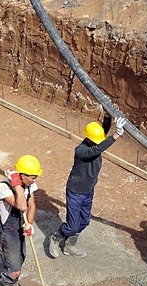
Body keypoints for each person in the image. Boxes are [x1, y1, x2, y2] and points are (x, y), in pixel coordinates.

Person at [47, 110, 126, 259]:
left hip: (88, 190)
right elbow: (98, 148)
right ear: (88, 139)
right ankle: (55, 238)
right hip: (75, 191)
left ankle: (69, 246)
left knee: (84, 221)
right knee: (71, 226)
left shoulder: (93, 141)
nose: (99, 143)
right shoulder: (81, 150)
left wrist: (107, 116)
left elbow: (102, 133)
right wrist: (116, 135)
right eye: (96, 141)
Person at [0, 155, 42, 286]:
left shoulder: (29, 184)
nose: (35, 180)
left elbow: (31, 205)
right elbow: (21, 206)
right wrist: (18, 186)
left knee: (19, 263)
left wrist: (30, 224)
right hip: (8, 232)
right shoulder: (4, 187)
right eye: (33, 177)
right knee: (13, 271)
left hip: (20, 229)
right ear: (22, 175)